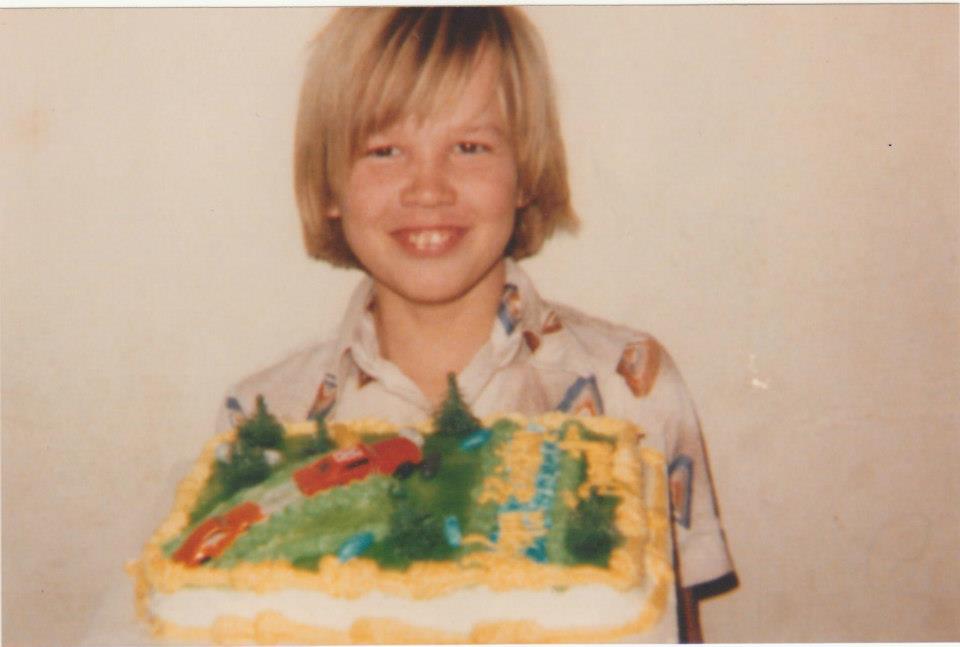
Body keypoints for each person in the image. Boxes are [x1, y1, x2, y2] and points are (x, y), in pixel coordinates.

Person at [217, 7, 735, 642]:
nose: (428, 188)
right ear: (331, 187)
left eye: (469, 146)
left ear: (523, 173)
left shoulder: (633, 386)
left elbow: (668, 627)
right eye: (384, 150)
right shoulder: (264, 421)